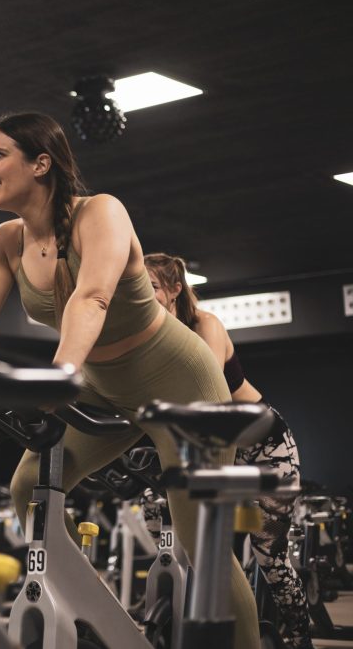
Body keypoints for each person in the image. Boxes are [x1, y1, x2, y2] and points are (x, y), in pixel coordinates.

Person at [0, 111, 260, 648]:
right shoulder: (5, 242)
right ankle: (96, 622)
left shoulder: (101, 212)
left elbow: (91, 298)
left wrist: (61, 375)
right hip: (104, 385)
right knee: (29, 489)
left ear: (41, 163)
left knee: (200, 548)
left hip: (181, 383)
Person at [145, 252, 312, 649]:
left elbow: (207, 394)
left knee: (270, 557)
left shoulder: (205, 326)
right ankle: (191, 602)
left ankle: (299, 638)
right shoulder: (149, 339)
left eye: (150, 287)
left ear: (173, 290)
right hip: (213, 447)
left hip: (264, 445)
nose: (141, 296)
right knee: (156, 508)